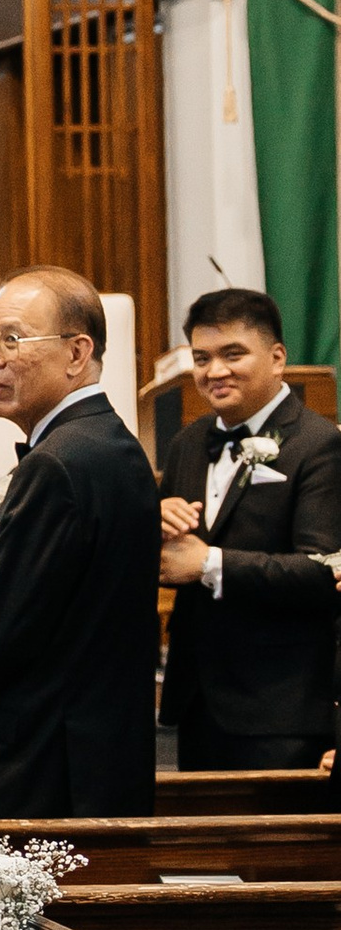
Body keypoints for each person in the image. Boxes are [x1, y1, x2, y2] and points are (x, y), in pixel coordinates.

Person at [0, 268, 162, 816]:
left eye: (13, 339)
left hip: (41, 766)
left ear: (77, 352)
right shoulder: (110, 444)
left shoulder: (58, 461)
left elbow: (1, 630)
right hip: (92, 757)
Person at [158, 286, 341, 771]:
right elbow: (170, 559)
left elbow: (323, 573)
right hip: (196, 697)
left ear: (277, 358)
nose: (214, 371)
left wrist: (210, 564)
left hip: (280, 704)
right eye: (201, 358)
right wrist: (154, 527)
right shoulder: (187, 443)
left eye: (232, 354)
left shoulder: (320, 445)